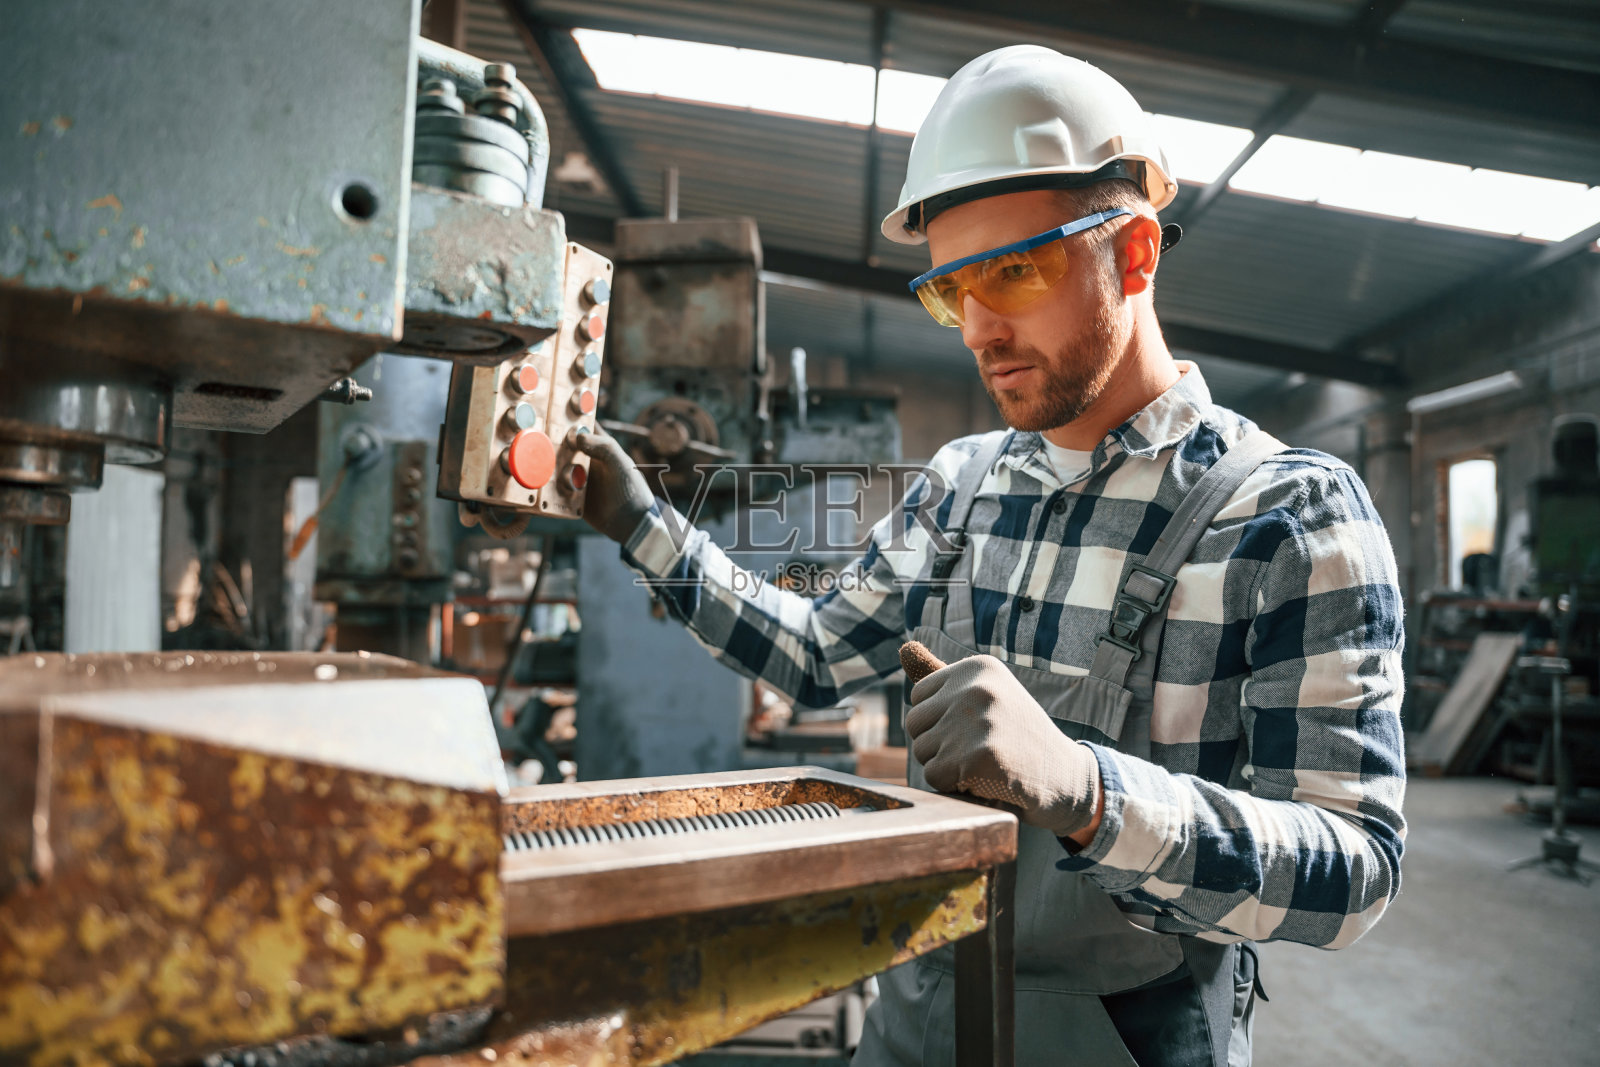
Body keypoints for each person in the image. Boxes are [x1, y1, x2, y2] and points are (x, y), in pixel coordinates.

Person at [573, 44, 1406, 1067]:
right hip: (919, 1011)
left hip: (1122, 1036)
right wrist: (639, 522)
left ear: (1135, 254)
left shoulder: (1285, 516)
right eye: (949, 289)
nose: (977, 329)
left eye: (1014, 270)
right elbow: (816, 656)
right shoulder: (963, 485)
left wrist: (1090, 792)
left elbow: (1353, 869)